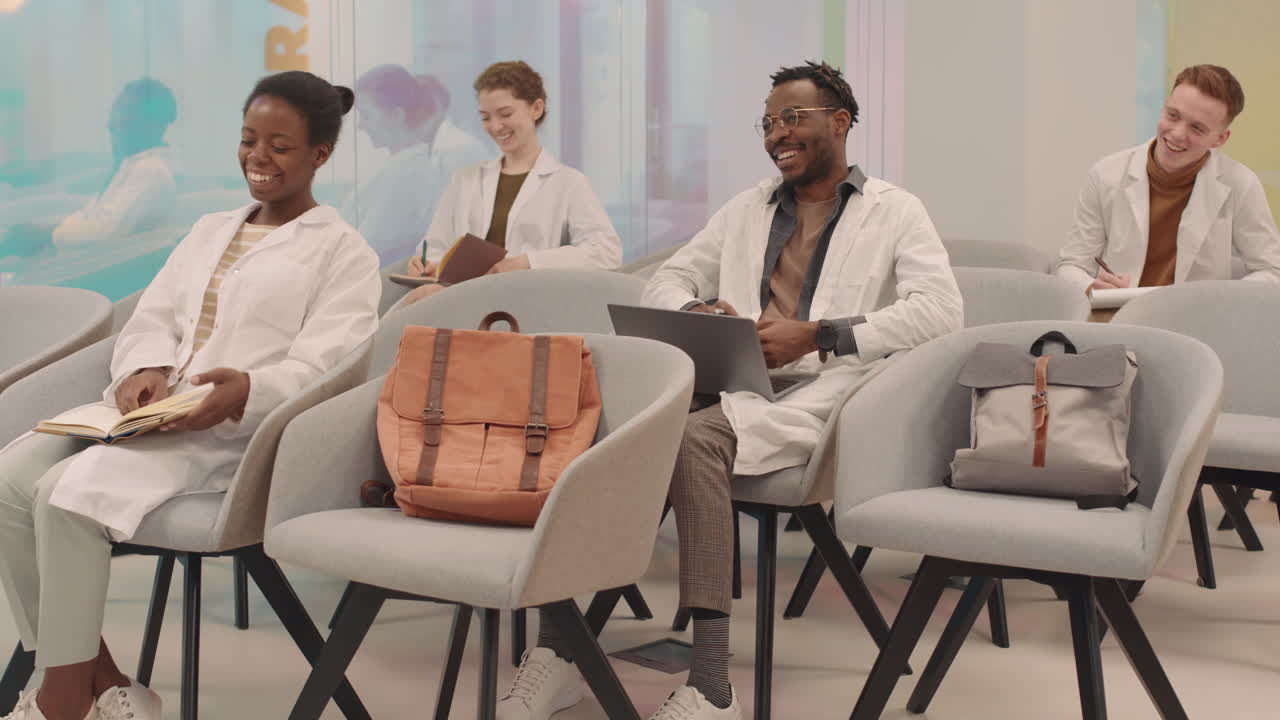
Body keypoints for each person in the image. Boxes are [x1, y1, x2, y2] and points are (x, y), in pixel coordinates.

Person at [496, 61, 962, 720]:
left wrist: (819, 335)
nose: (777, 135)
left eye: (792, 118)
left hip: (821, 393)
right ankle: (559, 652)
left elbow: (941, 312)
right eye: (767, 124)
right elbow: (669, 277)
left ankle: (712, 682)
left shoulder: (895, 210)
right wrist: (696, 313)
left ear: (840, 121)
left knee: (690, 442)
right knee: (596, 434)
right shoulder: (747, 207)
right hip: (728, 378)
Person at [0, 70, 380, 720]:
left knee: (64, 495)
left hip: (236, 436)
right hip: (153, 415)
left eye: (280, 146)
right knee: (9, 478)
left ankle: (60, 700)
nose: (258, 157)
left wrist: (246, 390)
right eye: (248, 139)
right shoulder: (210, 229)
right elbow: (154, 315)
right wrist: (143, 368)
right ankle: (107, 683)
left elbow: (326, 367)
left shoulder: (345, 254)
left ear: (320, 154)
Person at [403, 60, 621, 304]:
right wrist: (426, 264)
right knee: (420, 300)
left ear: (536, 108)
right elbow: (435, 246)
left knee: (421, 303)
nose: (496, 126)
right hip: (464, 299)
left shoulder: (569, 183)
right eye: (485, 117)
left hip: (527, 303)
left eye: (506, 114)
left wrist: (528, 262)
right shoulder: (464, 181)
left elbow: (606, 252)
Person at [1055, 64, 1280, 290]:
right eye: (1173, 116)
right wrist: (1092, 287)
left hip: (1197, 312)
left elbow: (1272, 270)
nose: (1178, 133)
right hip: (1118, 310)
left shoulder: (1241, 184)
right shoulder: (1105, 174)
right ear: (1163, 108)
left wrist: (1221, 298)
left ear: (1220, 139)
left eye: (1197, 128)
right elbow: (1072, 265)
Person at [0, 78, 179, 259]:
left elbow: (106, 231)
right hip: (83, 258)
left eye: (125, 115)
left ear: (154, 124)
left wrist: (48, 235)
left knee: (16, 239)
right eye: (115, 113)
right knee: (17, 235)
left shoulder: (151, 172)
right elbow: (92, 216)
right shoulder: (133, 165)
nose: (112, 124)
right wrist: (50, 230)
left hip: (94, 265)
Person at [342, 65, 489, 263]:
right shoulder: (402, 168)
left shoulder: (406, 174)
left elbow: (365, 248)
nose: (361, 125)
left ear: (396, 115)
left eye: (366, 115)